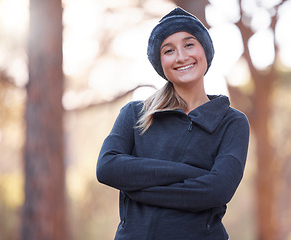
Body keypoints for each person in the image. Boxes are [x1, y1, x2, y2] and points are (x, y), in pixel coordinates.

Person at [96, 7, 250, 240]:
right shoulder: (135, 114)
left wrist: (136, 188)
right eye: (169, 50)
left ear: (204, 51)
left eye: (189, 44)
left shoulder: (232, 122)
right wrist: (192, 174)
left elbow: (218, 190)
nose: (181, 56)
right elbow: (107, 167)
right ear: (161, 62)